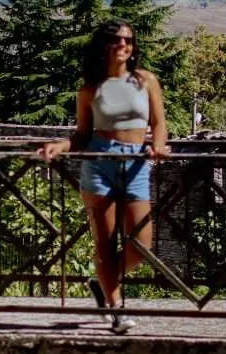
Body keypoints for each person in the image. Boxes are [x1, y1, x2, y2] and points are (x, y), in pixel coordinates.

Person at [38, 19, 169, 333]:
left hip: (136, 162)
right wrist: (62, 145)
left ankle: (102, 280)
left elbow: (159, 123)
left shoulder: (146, 80)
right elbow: (82, 135)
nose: (124, 45)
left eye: (129, 40)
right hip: (99, 163)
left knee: (142, 243)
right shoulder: (90, 89)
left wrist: (158, 145)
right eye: (117, 40)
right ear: (104, 45)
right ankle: (116, 308)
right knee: (105, 243)